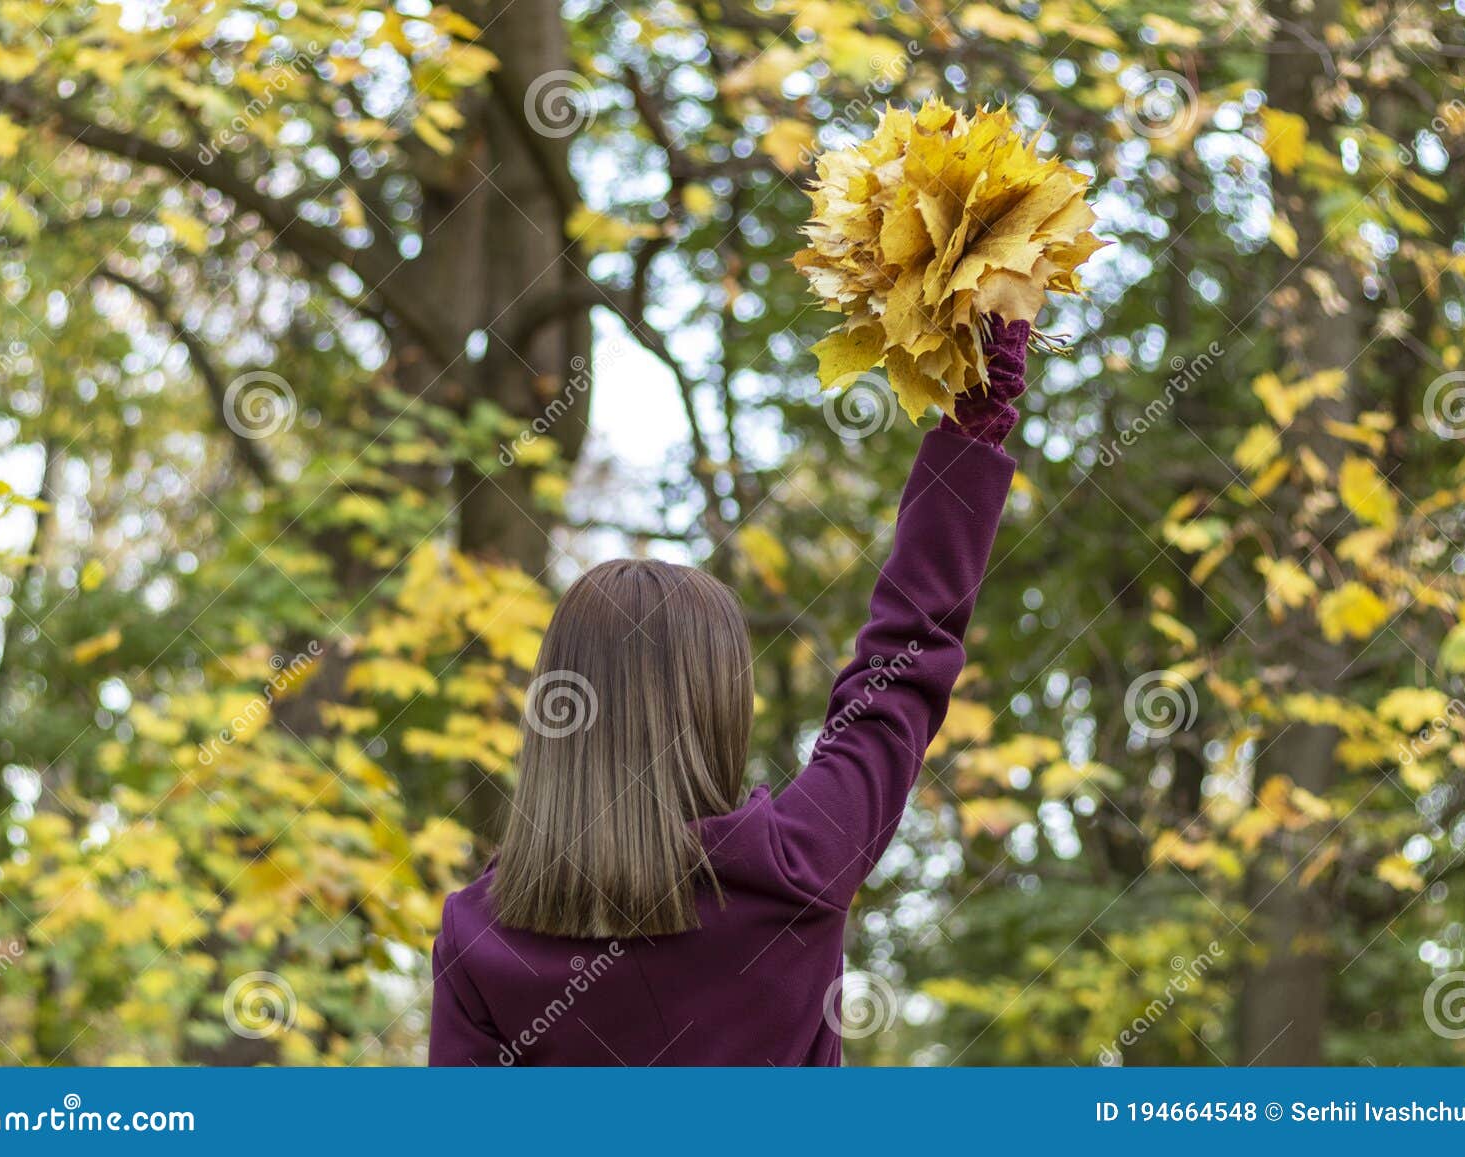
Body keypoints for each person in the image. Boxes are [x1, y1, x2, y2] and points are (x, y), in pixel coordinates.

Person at [428, 318, 1029, 1065]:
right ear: (718, 709)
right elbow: (902, 665)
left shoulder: (478, 934)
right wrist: (973, 429)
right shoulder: (797, 863)